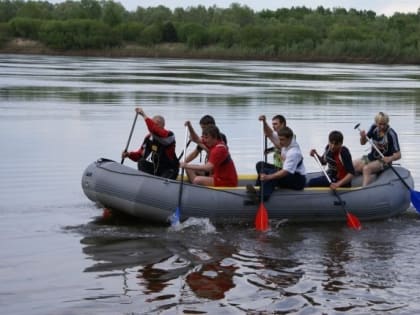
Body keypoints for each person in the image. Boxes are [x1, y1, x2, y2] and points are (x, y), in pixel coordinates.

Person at [248, 126, 306, 201]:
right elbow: (270, 134)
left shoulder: (294, 152)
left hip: (297, 180)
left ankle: (263, 197)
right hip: (290, 174)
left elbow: (285, 172)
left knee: (272, 173)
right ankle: (258, 188)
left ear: (289, 139)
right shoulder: (287, 142)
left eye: (282, 140)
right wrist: (264, 121)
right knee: (262, 167)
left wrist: (268, 177)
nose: (280, 142)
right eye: (279, 139)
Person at [121, 107, 179, 179]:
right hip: (155, 168)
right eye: (153, 124)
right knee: (142, 161)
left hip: (169, 169)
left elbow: (155, 130)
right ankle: (145, 181)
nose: (154, 126)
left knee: (166, 175)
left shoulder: (169, 136)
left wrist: (143, 115)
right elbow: (140, 154)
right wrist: (129, 154)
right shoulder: (148, 138)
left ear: (163, 125)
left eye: (157, 124)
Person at [353, 111, 401, 186]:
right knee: (353, 164)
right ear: (376, 123)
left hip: (384, 161)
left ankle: (364, 190)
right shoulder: (374, 128)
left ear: (387, 122)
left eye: (384, 124)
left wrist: (390, 158)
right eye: (380, 124)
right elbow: (363, 143)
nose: (382, 126)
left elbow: (398, 155)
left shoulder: (391, 134)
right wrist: (362, 137)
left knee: (367, 169)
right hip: (371, 157)